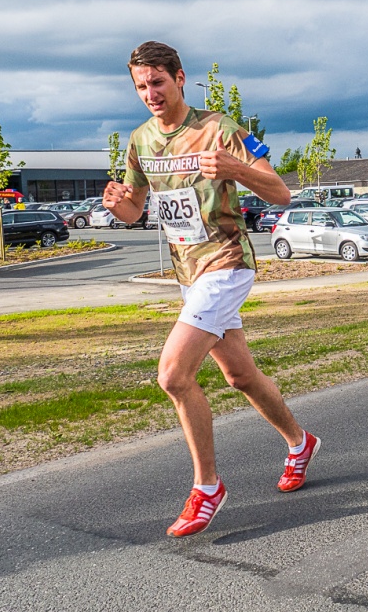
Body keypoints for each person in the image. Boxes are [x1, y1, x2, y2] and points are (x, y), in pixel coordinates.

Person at [102, 41, 321, 538]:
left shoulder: (217, 129)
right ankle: (299, 441)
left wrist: (234, 169)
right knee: (240, 376)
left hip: (226, 263)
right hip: (188, 273)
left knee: (174, 375)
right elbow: (137, 209)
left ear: (180, 78)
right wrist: (121, 208)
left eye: (158, 82)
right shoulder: (139, 140)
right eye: (141, 86)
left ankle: (208, 487)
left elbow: (280, 192)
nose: (151, 94)